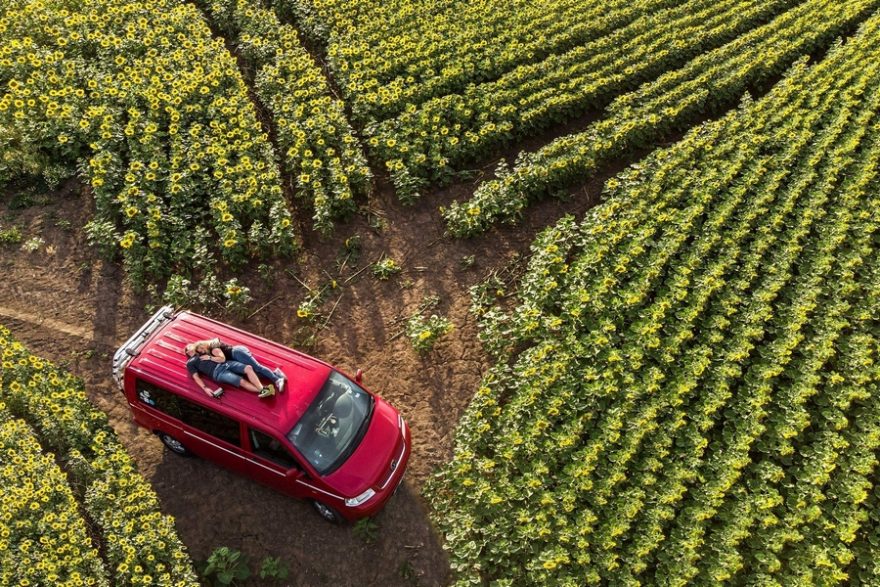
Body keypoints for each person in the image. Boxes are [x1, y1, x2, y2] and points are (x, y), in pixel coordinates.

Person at [184, 342, 279, 399]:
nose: (191, 347)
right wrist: (205, 388)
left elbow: (215, 346)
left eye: (192, 345)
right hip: (218, 373)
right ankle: (263, 390)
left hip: (226, 363)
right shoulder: (190, 362)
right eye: (188, 348)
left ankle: (263, 389)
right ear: (187, 352)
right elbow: (196, 377)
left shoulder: (202, 350)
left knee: (248, 368)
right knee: (241, 381)